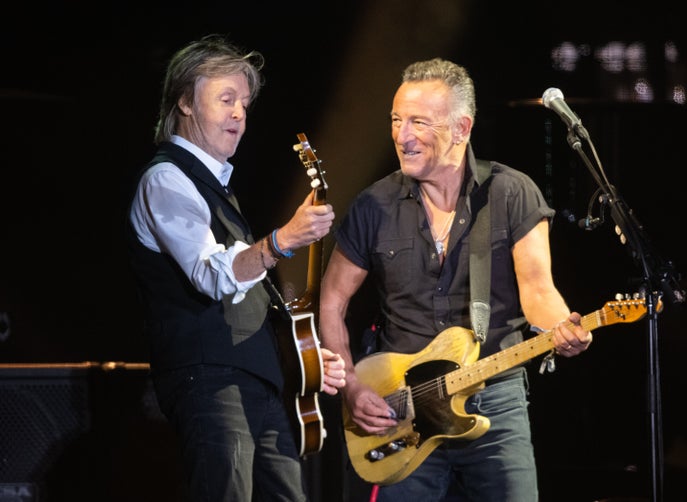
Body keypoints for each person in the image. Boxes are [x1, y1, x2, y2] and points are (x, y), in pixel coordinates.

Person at [318, 57, 593, 501]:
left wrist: (561, 325)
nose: (401, 135)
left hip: (494, 401)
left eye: (418, 123)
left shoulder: (511, 192)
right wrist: (350, 386)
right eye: (396, 120)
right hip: (402, 409)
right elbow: (331, 302)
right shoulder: (375, 205)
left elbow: (539, 288)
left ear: (462, 129)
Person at [126, 34, 346, 501]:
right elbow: (211, 275)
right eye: (226, 99)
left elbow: (248, 297)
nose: (239, 115)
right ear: (185, 102)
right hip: (210, 380)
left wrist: (300, 359)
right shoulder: (167, 178)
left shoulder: (215, 187)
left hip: (256, 380)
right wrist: (283, 240)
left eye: (244, 104)